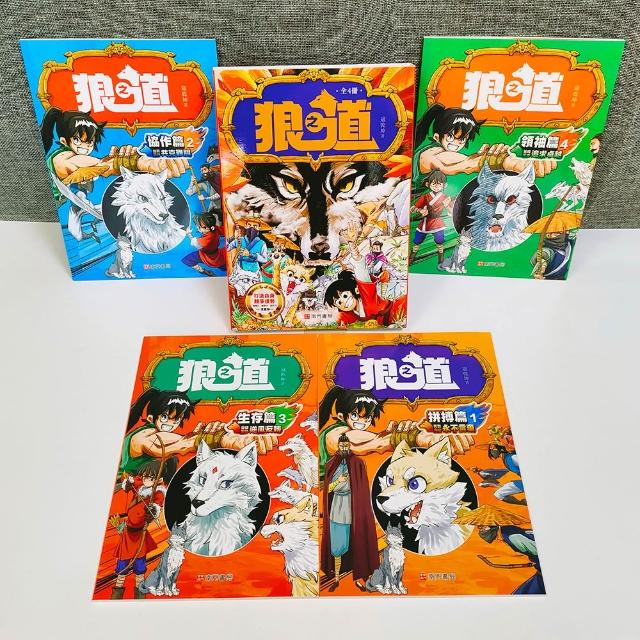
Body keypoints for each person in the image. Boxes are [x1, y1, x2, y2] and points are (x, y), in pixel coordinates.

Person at [321, 435, 379, 592]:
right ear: (338, 446)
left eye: (346, 446)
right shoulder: (331, 464)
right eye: (342, 446)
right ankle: (336, 578)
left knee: (356, 543)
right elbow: (328, 490)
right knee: (337, 546)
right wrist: (338, 481)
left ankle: (358, 579)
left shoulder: (358, 463)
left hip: (354, 509)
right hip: (336, 509)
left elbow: (362, 490)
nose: (344, 448)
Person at [110, 460, 166, 599]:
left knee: (140, 568)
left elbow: (157, 504)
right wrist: (127, 483)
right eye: (145, 476)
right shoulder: (140, 486)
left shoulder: (157, 492)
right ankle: (116, 596)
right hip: (127, 534)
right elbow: (130, 481)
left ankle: (140, 596)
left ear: (159, 480)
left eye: (151, 478)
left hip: (140, 534)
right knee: (122, 567)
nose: (146, 480)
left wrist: (152, 511)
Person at [410, 170, 453, 265]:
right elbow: (412, 208)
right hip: (425, 222)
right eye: (433, 184)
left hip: (437, 222)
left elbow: (451, 212)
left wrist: (446, 206)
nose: (436, 186)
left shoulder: (445, 197)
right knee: (417, 240)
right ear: (428, 184)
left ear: (444, 185)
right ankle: (412, 256)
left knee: (439, 241)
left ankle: (441, 259)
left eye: (439, 184)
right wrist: (420, 210)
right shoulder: (425, 197)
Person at [182, 210, 226, 276]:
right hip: (217, 255)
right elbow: (223, 230)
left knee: (187, 260)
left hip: (208, 257)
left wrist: (189, 234)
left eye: (199, 227)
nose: (198, 228)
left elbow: (197, 244)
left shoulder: (208, 237)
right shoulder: (214, 229)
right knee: (223, 266)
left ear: (207, 228)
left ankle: (204, 271)